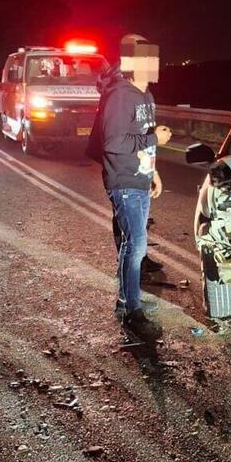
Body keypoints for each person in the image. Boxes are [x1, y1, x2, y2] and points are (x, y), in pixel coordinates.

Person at [93, 34, 170, 324]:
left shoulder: (146, 97)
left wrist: (154, 172)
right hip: (122, 179)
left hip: (140, 177)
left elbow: (143, 141)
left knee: (137, 242)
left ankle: (130, 301)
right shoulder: (120, 96)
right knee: (134, 243)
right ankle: (128, 307)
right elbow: (112, 142)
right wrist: (154, 138)